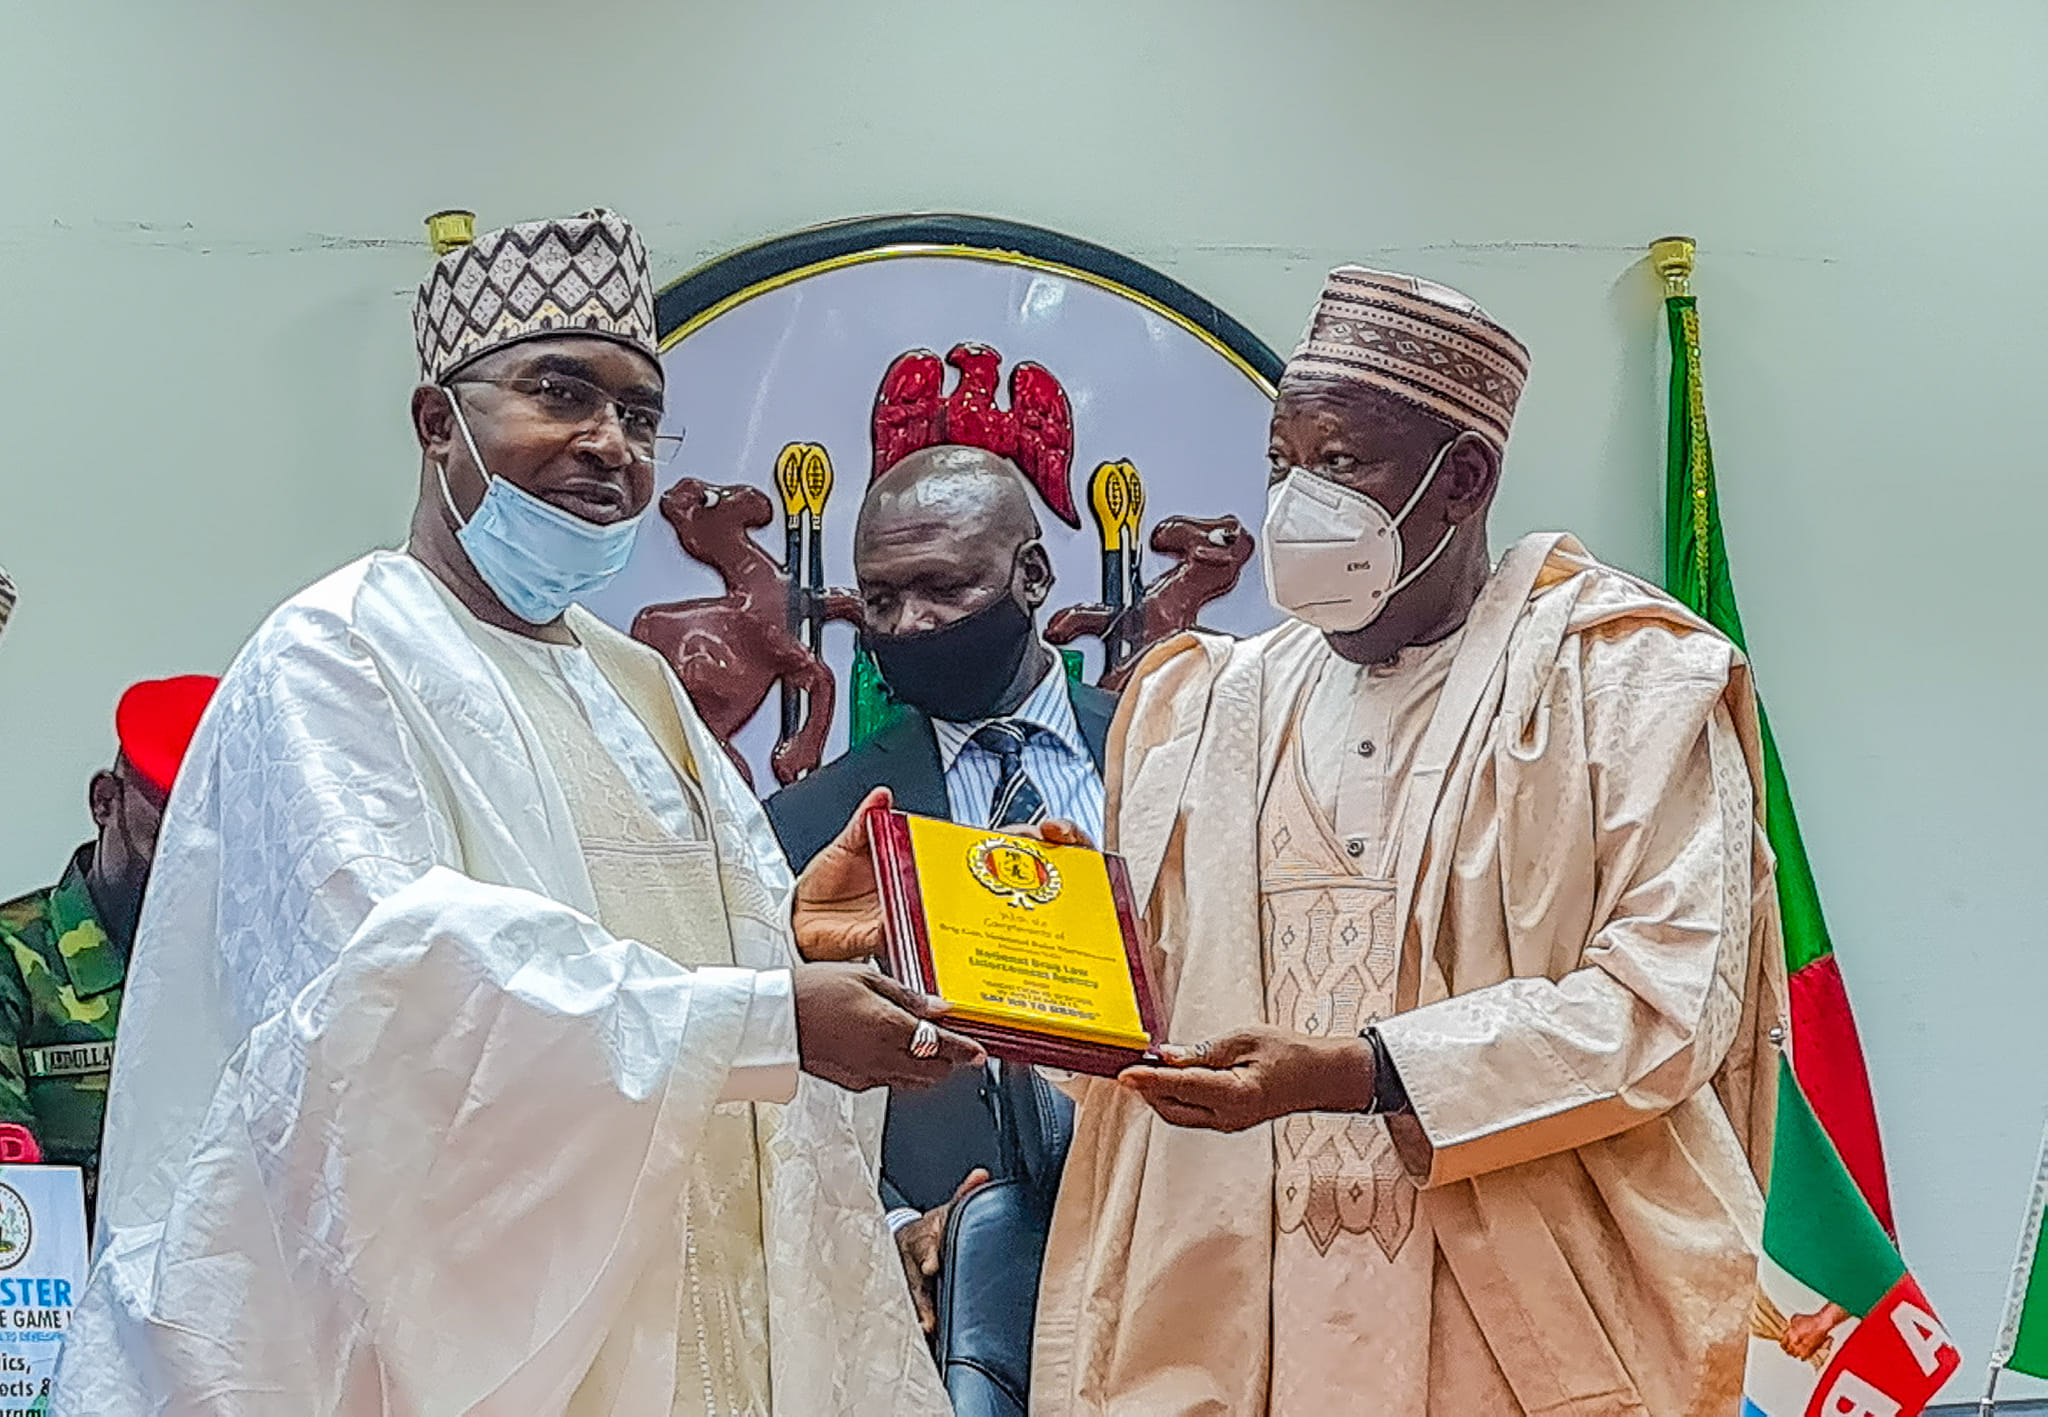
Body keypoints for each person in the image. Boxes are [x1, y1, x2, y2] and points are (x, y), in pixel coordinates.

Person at [53, 210, 978, 1417]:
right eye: (562, 394)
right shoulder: (333, 654)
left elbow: (686, 979)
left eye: (640, 416)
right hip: (496, 1351)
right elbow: (404, 998)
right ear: (438, 422)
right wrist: (765, 1018)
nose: (610, 445)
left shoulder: (634, 680)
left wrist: (800, 938)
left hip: (710, 1318)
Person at [1032, 267, 1786, 1416]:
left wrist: (1365, 1073)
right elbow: (1139, 1010)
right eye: (1282, 463)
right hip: (1239, 1319)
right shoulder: (1203, 707)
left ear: (1462, 480)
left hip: (1516, 1324)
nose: (1295, 503)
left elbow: (1663, 1007)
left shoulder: (1623, 685)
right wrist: (989, 948)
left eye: (1341, 464)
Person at [765, 446, 1111, 1408]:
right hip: (929, 1314)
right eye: (879, 602)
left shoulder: (1180, 757)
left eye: (944, 589)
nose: (910, 624)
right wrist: (888, 1229)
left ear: (1032, 576)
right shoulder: (809, 826)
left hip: (1171, 1267)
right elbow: (776, 1085)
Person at [0, 675, 217, 1213]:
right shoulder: (16, 958)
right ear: (105, 801)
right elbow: (17, 1212)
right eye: (168, 825)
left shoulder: (247, 964)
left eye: (216, 826)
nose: (192, 854)